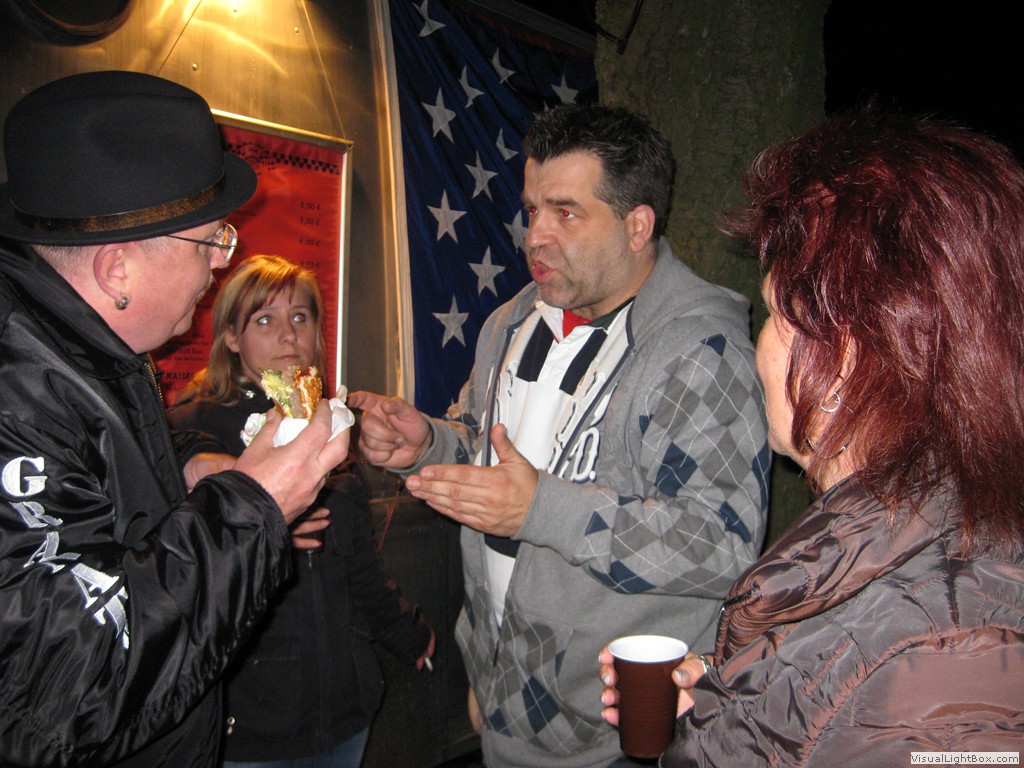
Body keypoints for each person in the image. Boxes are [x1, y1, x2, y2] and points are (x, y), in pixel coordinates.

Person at [599, 107, 1024, 764]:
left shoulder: (937, 676)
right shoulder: (930, 535)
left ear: (842, 360)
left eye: (772, 313)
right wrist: (737, 694)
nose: (758, 341)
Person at [350, 104, 770, 767]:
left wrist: (541, 510)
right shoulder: (511, 321)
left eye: (566, 213)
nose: (535, 236)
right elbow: (488, 449)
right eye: (532, 209)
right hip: (501, 704)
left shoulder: (699, 351)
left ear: (637, 226)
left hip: (617, 734)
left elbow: (720, 545)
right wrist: (427, 445)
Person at [0, 71, 351, 767]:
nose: (218, 268)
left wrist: (190, 466)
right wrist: (255, 507)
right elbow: (69, 687)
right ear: (118, 271)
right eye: (212, 242)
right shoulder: (16, 393)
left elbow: (118, 462)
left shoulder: (92, 352)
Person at [166, 254, 435, 767]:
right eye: (265, 319)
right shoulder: (191, 427)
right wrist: (252, 524)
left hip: (340, 705)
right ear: (231, 337)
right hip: (244, 717)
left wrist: (410, 633)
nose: (288, 334)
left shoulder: (328, 425)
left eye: (300, 316)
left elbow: (358, 564)